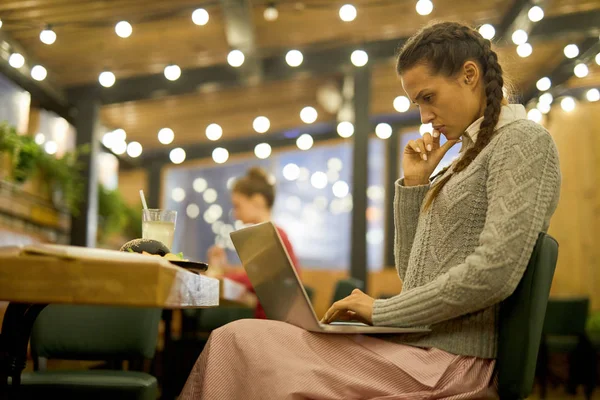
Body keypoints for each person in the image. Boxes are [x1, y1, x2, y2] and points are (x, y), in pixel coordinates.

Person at [180, 21, 561, 399]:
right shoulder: (464, 159)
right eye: (418, 104)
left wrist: (380, 312)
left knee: (241, 342)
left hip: (453, 364)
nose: (424, 117)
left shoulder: (523, 141)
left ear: (470, 74)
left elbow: (494, 273)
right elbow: (414, 278)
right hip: (420, 350)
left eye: (428, 97)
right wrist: (415, 186)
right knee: (240, 340)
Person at [207, 166, 300, 319]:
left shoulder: (273, 235)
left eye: (238, 206)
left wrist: (216, 277)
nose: (236, 214)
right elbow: (256, 277)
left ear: (257, 201)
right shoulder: (270, 234)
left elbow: (255, 280)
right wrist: (223, 269)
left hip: (275, 322)